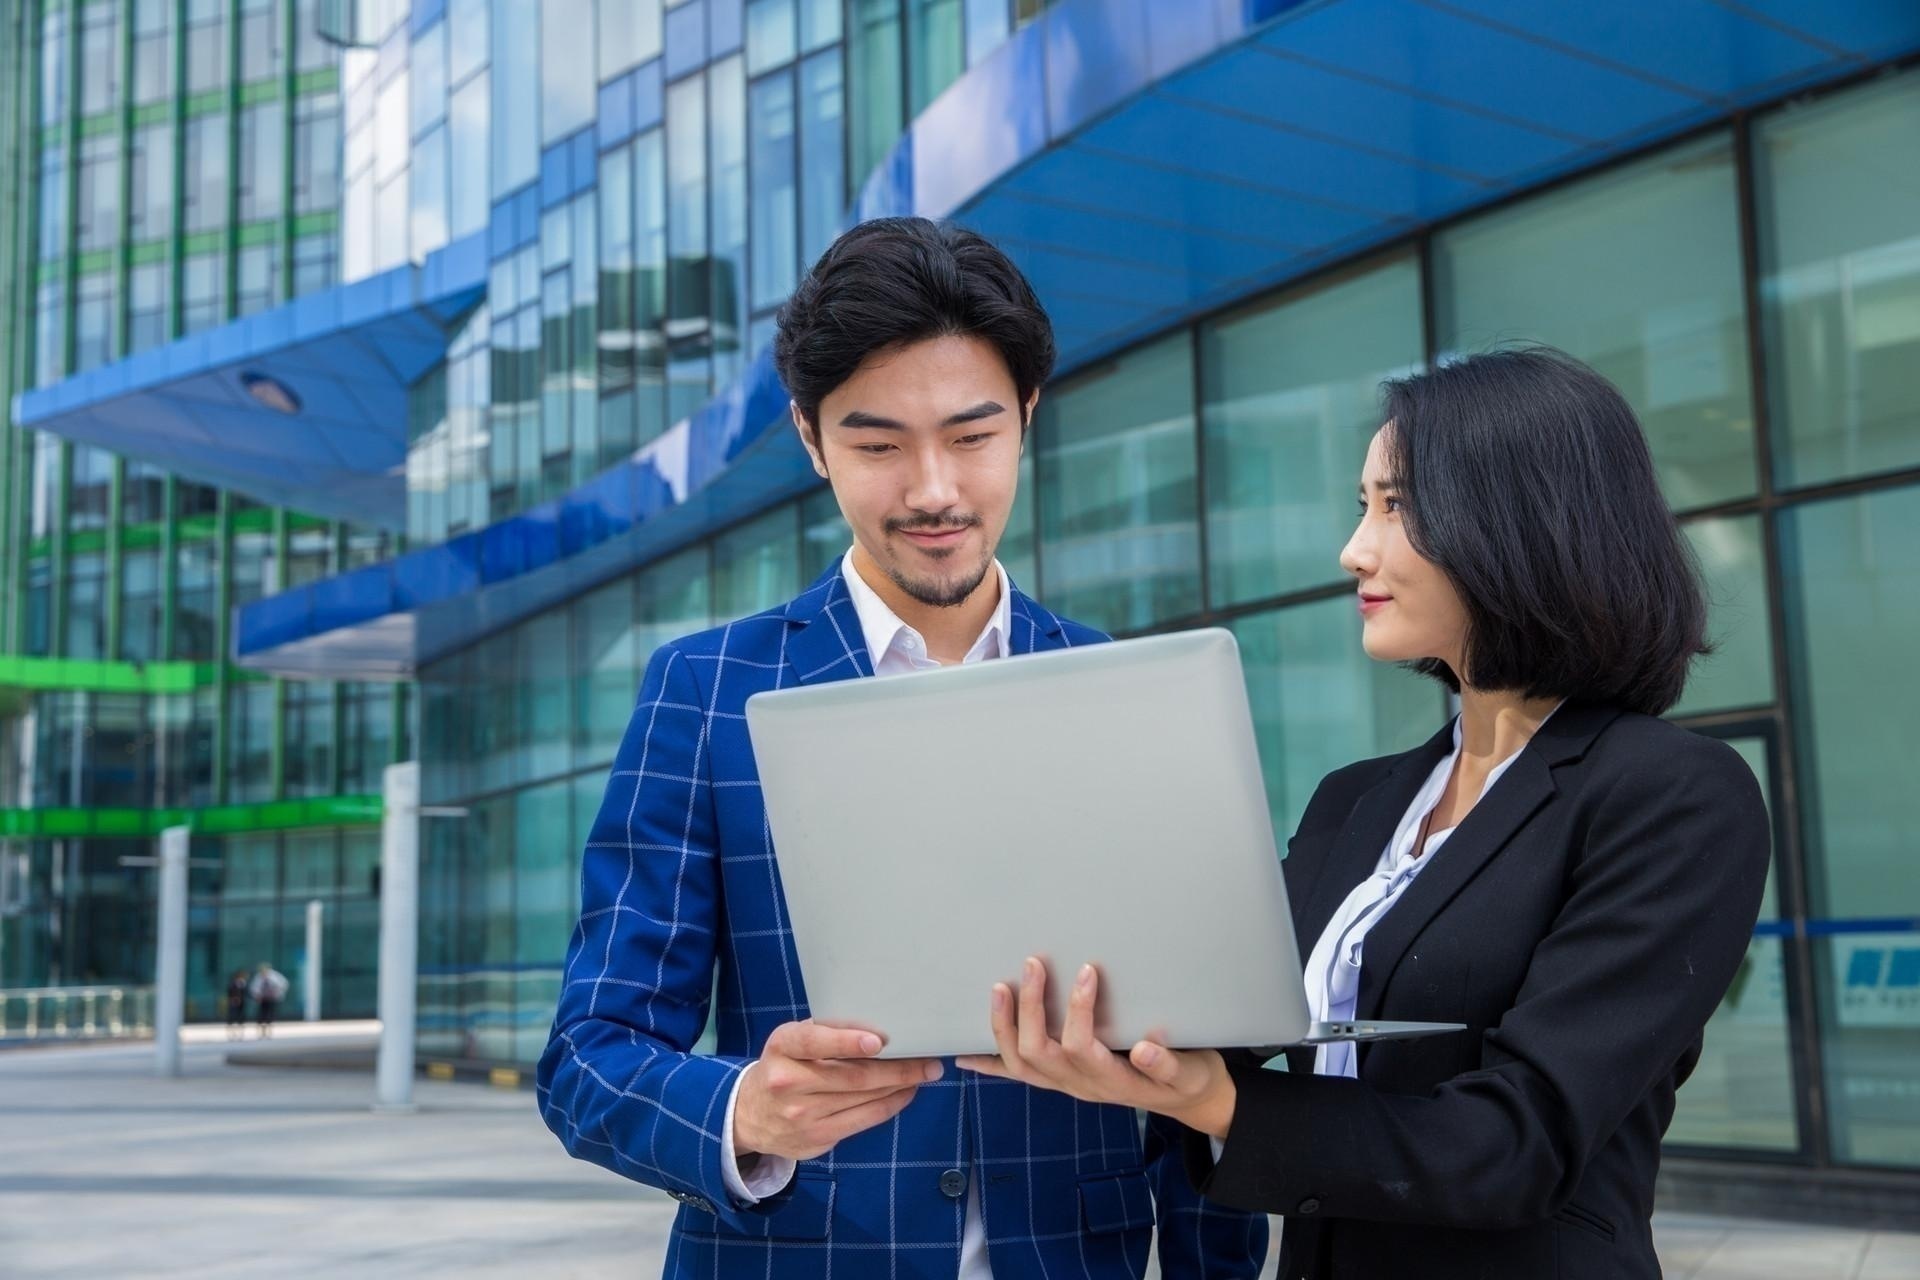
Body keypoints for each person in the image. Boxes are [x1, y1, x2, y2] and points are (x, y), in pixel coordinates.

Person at [536, 218, 1266, 1279]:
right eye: (879, 445)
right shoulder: (708, 693)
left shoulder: (1133, 694)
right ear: (811, 437)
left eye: (972, 436)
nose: (933, 490)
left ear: (1027, 417)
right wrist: (747, 1108)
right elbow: (586, 1056)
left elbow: (1208, 1057)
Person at [958, 347, 1772, 1280]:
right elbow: (1237, 1016)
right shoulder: (1359, 799)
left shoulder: (1671, 795)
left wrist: (1226, 1105)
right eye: (1363, 506)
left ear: (1523, 520)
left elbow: (1520, 1141)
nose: (1356, 549)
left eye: (1397, 506)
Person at [248, 962, 289, 1038]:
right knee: (261, 1015)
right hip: (262, 999)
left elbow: (283, 984)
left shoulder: (274, 976)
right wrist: (257, 996)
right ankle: (261, 1031)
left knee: (269, 1015)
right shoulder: (258, 977)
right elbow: (254, 988)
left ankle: (268, 1030)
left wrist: (277, 992)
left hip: (271, 998)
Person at [225, 969, 250, 1040]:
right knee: (232, 1018)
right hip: (234, 1003)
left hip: (242, 1003)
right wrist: (233, 999)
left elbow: (247, 993)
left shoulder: (244, 984)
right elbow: (229, 993)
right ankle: (231, 1033)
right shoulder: (232, 984)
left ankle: (240, 1033)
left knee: (241, 1018)